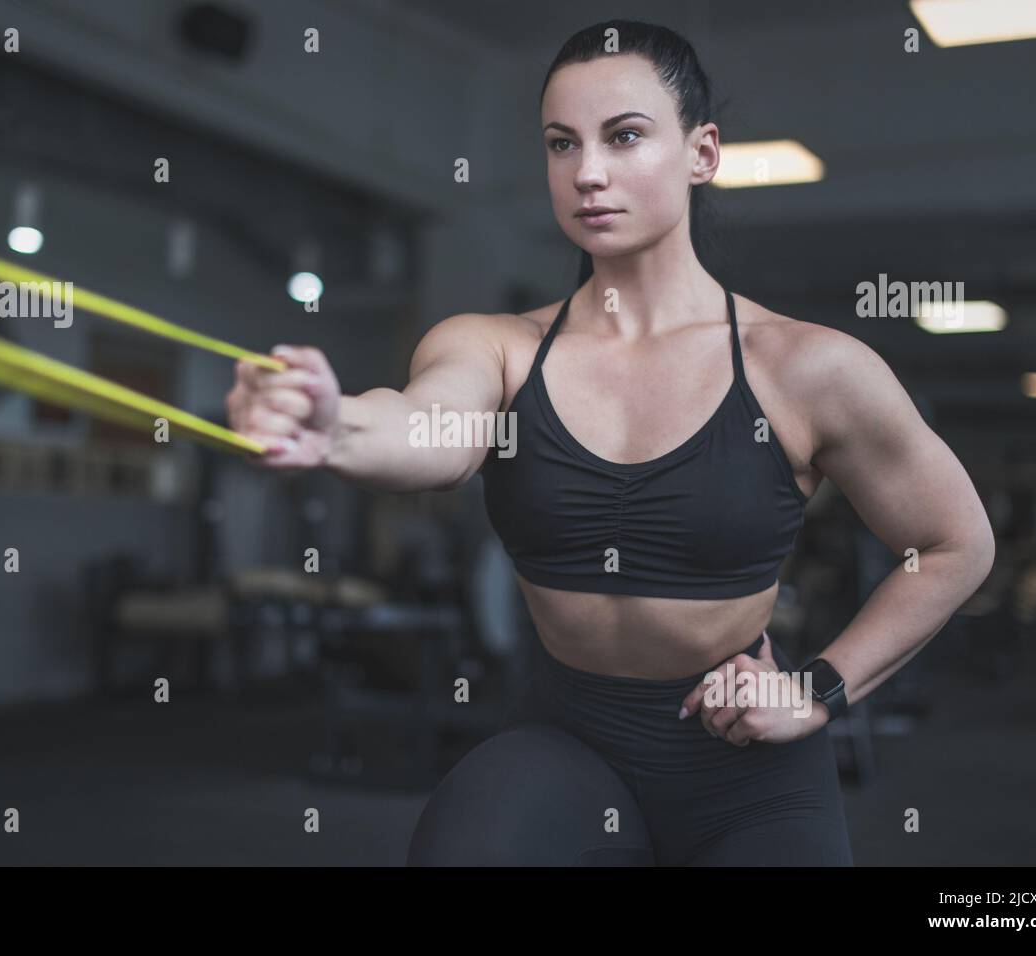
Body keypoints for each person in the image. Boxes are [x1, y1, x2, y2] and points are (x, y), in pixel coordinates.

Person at [223, 19, 996, 865]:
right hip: (569, 741)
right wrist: (335, 424)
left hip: (745, 762)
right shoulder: (499, 346)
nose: (587, 173)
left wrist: (818, 689)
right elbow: (430, 429)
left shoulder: (805, 367)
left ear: (702, 153)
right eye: (563, 144)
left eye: (624, 137)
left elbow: (955, 542)